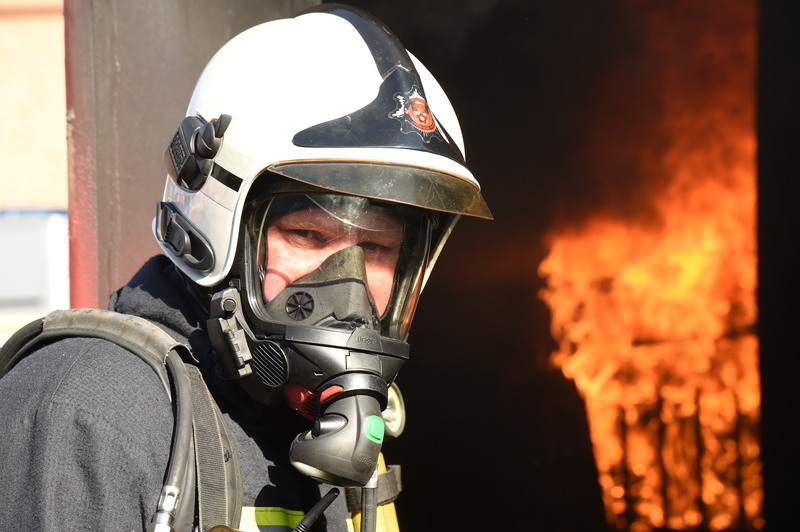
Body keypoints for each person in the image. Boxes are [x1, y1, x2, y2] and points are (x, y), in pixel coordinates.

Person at [0, 4, 491, 532]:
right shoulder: (87, 411)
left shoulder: (334, 435)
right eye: (308, 235)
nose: (347, 288)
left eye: (376, 249)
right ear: (217, 227)